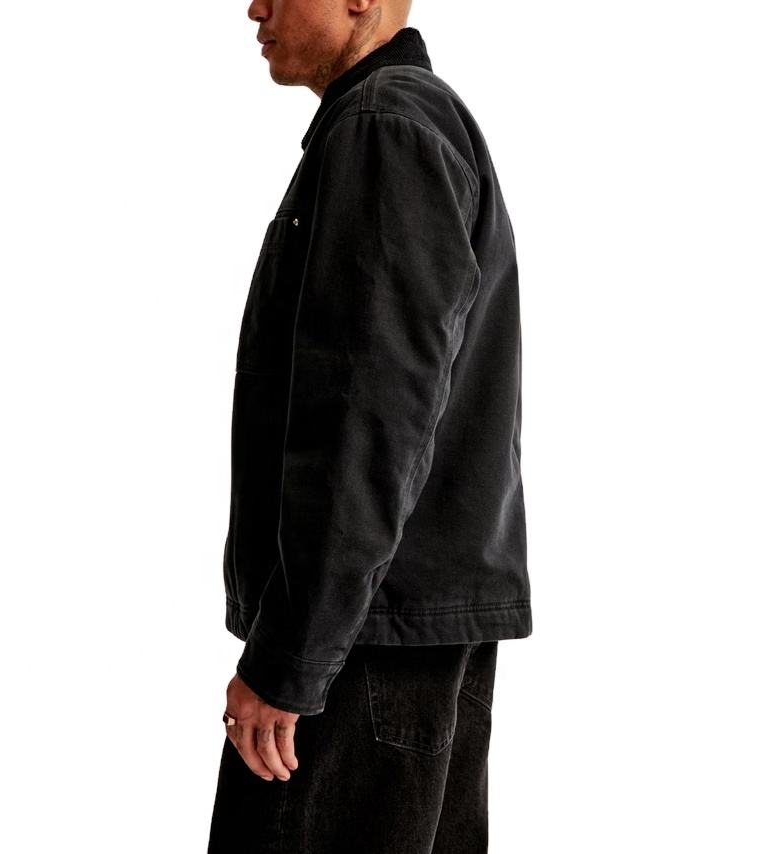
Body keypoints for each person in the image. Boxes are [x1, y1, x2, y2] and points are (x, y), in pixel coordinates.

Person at [207, 1, 532, 851]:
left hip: (362, 646)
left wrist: (290, 661)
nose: (254, 7)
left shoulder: (386, 128)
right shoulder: (403, 124)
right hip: (396, 633)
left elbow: (367, 419)